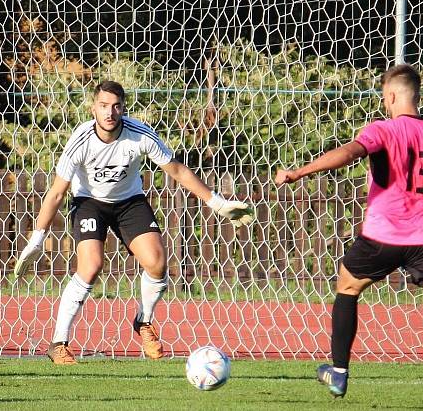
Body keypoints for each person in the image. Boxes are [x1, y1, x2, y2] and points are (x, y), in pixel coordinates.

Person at [274, 64, 423, 398]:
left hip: (382, 236)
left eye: (384, 97)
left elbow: (348, 153)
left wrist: (300, 171)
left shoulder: (383, 130)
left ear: (391, 95)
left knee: (347, 287)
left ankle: (338, 373)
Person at [15, 81, 253, 365]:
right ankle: (58, 343)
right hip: (89, 202)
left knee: (157, 262)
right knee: (90, 267)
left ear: (123, 108)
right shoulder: (80, 140)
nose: (110, 112)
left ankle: (144, 321)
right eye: (103, 106)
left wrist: (218, 203)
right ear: (94, 108)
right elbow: (56, 193)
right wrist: (37, 239)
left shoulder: (140, 135)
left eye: (116, 106)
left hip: (129, 202)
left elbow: (176, 170)